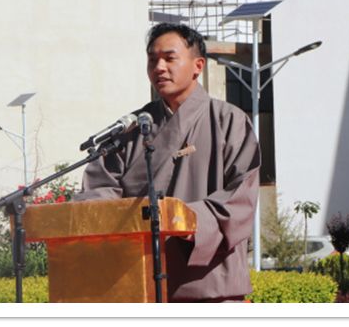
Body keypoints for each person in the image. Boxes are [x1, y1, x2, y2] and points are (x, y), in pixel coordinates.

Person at [76, 23, 260, 303]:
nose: (159, 67)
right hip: (139, 281)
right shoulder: (132, 129)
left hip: (208, 283)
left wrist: (181, 218)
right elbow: (98, 190)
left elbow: (240, 197)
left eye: (169, 58)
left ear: (198, 65)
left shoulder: (228, 121)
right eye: (152, 60)